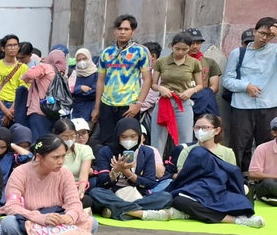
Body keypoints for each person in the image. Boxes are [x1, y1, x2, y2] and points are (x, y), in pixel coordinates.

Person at [0, 134, 99, 235]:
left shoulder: (65, 174)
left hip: (58, 219)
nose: (61, 161)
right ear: (39, 157)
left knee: (93, 222)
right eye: (56, 157)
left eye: (63, 156)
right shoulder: (20, 173)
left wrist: (70, 216)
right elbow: (12, 206)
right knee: (8, 223)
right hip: (31, 220)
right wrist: (41, 218)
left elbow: (74, 202)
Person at [89, 117, 173, 220]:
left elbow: (150, 183)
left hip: (138, 194)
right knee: (95, 193)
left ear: (139, 136)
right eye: (124, 137)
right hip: (112, 193)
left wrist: (127, 172)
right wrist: (116, 170)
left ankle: (118, 211)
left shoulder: (147, 152)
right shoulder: (106, 151)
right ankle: (140, 213)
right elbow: (101, 182)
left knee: (166, 197)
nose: (129, 140)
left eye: (133, 137)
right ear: (117, 137)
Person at [222, 17, 277, 170]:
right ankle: (237, 178)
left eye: (270, 35)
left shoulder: (274, 51)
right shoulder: (238, 53)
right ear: (255, 31)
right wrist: (245, 86)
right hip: (242, 105)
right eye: (262, 33)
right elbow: (227, 80)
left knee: (267, 143)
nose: (265, 38)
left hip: (269, 105)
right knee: (239, 145)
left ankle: (263, 181)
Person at [167, 145, 264, 228]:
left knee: (241, 201)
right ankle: (234, 220)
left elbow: (232, 188)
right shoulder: (189, 173)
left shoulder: (220, 173)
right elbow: (177, 187)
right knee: (179, 200)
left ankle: (189, 214)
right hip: (196, 201)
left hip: (219, 199)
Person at [93, 15, 151, 146]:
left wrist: (138, 104)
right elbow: (100, 81)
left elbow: (147, 80)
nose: (122, 32)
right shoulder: (106, 52)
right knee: (107, 142)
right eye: (119, 29)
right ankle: (107, 167)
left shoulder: (140, 51)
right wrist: (97, 107)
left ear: (133, 31)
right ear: (114, 31)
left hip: (128, 105)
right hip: (107, 104)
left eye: (126, 29)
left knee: (127, 141)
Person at [150, 32, 203, 154]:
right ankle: (156, 167)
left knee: (185, 139)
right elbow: (153, 84)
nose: (180, 52)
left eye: (184, 49)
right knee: (158, 139)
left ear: (189, 48)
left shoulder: (194, 63)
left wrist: (191, 90)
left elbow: (200, 85)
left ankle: (181, 168)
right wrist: (161, 89)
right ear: (171, 47)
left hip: (183, 103)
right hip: (164, 102)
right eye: (177, 49)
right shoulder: (161, 62)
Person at [20, 49, 69, 139]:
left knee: (39, 141)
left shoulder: (46, 67)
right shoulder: (62, 73)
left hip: (39, 110)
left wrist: (25, 78)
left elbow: (30, 75)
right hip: (55, 111)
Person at [0, 34, 27, 128]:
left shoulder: (23, 68)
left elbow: (23, 91)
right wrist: (5, 110)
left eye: (15, 45)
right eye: (10, 45)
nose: (13, 48)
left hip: (16, 105)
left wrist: (11, 110)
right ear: (3, 48)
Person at [53, 118, 94, 209]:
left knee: (87, 200)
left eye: (72, 136)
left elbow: (84, 175)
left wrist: (81, 190)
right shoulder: (51, 151)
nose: (69, 139)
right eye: (65, 137)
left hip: (75, 189)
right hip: (54, 188)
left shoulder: (85, 149)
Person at [185, 27, 222, 121]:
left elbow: (215, 87)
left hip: (205, 101)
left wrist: (201, 95)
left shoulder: (210, 62)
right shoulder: (178, 63)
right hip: (185, 100)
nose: (195, 46)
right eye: (192, 43)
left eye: (198, 43)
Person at [248, 116, 277, 203]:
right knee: (270, 183)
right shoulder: (262, 148)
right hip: (269, 186)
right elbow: (253, 174)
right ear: (274, 132)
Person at [69, 48, 98, 122]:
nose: (82, 61)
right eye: (79, 60)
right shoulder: (74, 74)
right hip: (77, 110)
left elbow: (95, 92)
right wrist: (80, 88)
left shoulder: (96, 73)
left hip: (91, 109)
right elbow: (70, 90)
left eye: (84, 59)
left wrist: (78, 94)